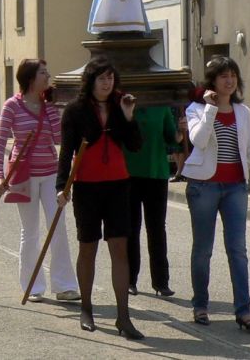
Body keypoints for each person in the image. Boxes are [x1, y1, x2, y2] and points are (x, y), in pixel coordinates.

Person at [182, 55, 250, 330]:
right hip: (203, 186)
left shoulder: (243, 112)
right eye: (223, 76)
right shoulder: (195, 109)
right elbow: (198, 141)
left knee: (237, 250)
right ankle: (201, 305)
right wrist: (211, 109)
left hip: (235, 187)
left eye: (233, 76)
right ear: (212, 81)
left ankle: (244, 310)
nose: (229, 81)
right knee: (203, 250)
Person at [56, 56, 144, 339]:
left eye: (111, 78)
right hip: (87, 187)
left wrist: (129, 116)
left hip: (118, 185)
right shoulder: (75, 111)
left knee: (120, 248)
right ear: (91, 81)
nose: (107, 83)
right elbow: (66, 151)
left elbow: (135, 145)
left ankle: (123, 316)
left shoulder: (122, 106)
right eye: (102, 78)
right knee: (88, 247)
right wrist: (62, 186)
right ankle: (86, 308)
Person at [0, 59, 80, 304]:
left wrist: (52, 109)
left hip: (51, 173)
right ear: (31, 78)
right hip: (24, 176)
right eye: (44, 73)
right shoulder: (12, 106)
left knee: (58, 227)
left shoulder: (47, 106)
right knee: (30, 232)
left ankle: (64, 286)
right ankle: (33, 285)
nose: (48, 76)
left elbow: (57, 137)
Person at [124, 106, 186, 298]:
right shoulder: (123, 106)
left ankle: (161, 282)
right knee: (131, 229)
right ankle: (129, 280)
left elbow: (171, 139)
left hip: (156, 173)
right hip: (129, 174)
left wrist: (181, 132)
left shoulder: (162, 109)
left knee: (157, 228)